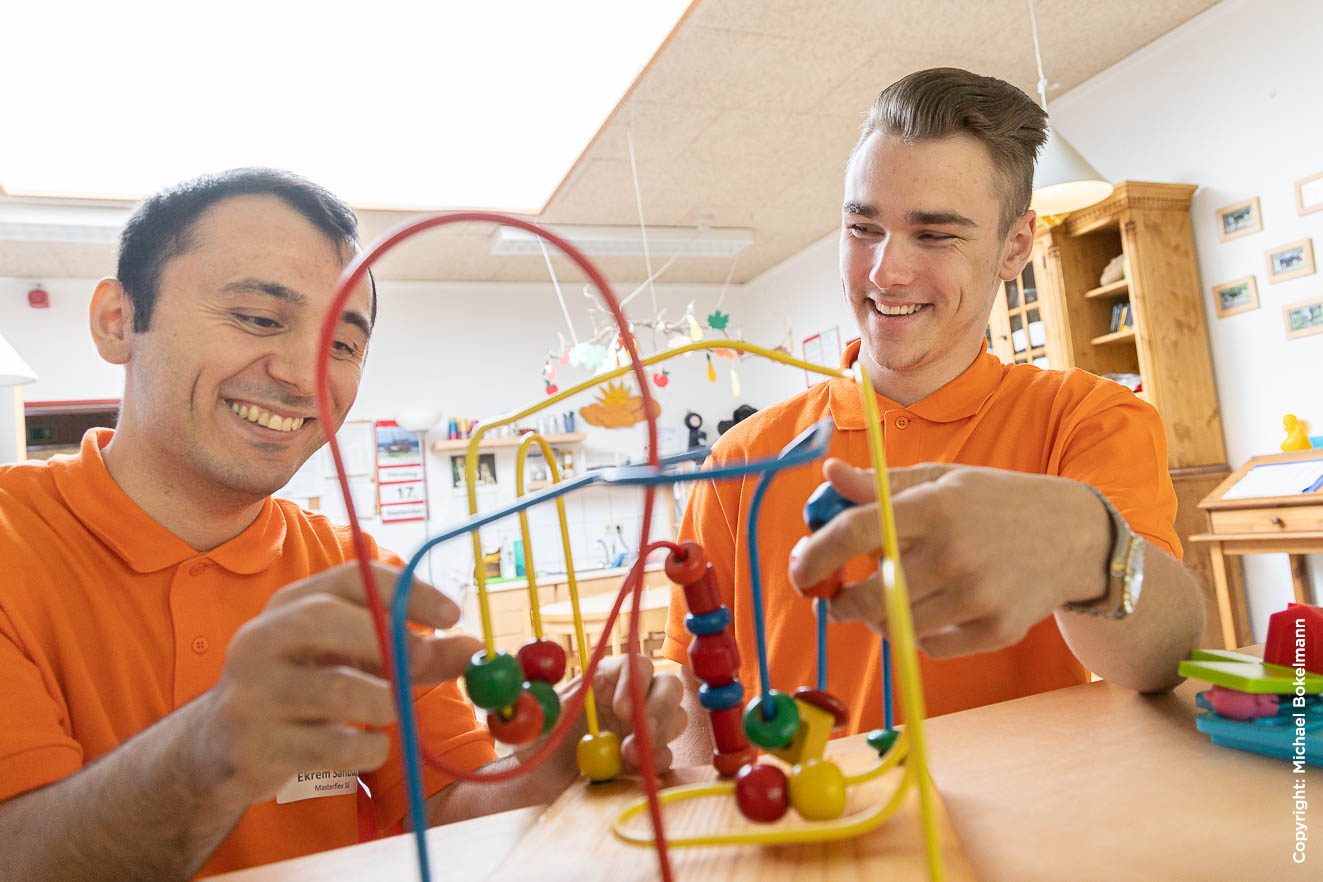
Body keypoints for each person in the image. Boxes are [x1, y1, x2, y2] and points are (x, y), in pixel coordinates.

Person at [0, 168, 685, 879]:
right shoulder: (14, 545)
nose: (304, 376)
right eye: (258, 318)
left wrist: (552, 760)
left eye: (342, 345)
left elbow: (443, 808)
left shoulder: (358, 579)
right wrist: (210, 750)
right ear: (118, 321)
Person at [664, 68, 1205, 758]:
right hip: (804, 819)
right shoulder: (743, 458)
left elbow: (1160, 657)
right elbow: (694, 681)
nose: (884, 272)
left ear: (1015, 246)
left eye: (934, 235)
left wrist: (1088, 546)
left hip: (1028, 811)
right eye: (862, 228)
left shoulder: (1087, 419)